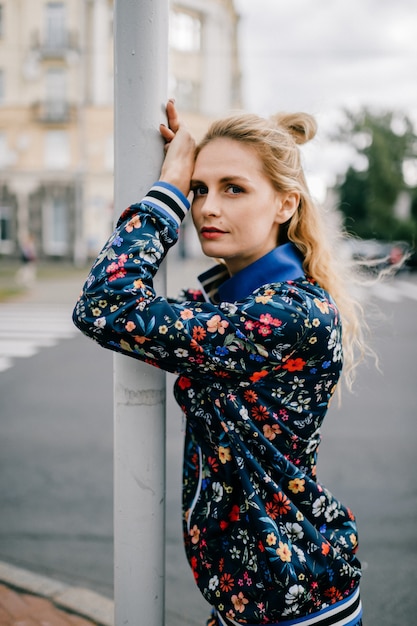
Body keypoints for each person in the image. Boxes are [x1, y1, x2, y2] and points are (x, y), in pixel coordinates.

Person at [73, 100, 366, 625]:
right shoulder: (227, 306)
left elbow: (106, 305)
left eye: (234, 188)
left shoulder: (289, 314)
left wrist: (166, 195)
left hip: (295, 602)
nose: (206, 207)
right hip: (250, 601)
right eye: (199, 188)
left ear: (284, 205)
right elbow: (132, 304)